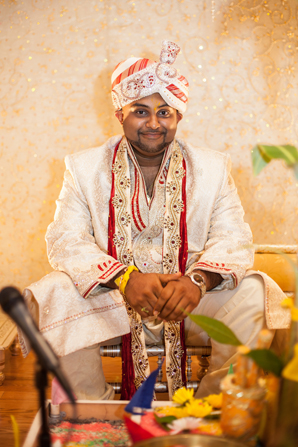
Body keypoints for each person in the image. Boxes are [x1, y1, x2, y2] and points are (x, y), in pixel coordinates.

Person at [20, 41, 290, 401]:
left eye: (165, 112)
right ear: (120, 114)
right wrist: (124, 277)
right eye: (140, 111)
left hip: (190, 304)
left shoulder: (212, 168)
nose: (153, 123)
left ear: (178, 117)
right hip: (112, 304)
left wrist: (198, 280)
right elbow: (65, 239)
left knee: (255, 292)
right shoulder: (83, 168)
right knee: (55, 291)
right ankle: (90, 412)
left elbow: (234, 238)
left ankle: (218, 407)